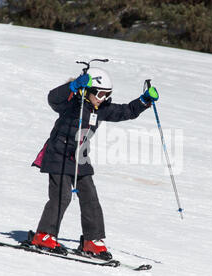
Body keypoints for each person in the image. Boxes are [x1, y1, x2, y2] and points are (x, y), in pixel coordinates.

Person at [31, 67, 159, 260]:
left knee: (90, 198)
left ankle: (93, 240)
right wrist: (73, 86)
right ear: (87, 91)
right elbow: (53, 98)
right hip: (58, 155)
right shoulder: (72, 103)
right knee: (62, 196)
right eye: (100, 94)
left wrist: (144, 101)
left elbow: (125, 111)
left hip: (80, 159)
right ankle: (44, 235)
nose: (103, 98)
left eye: (108, 95)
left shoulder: (101, 109)